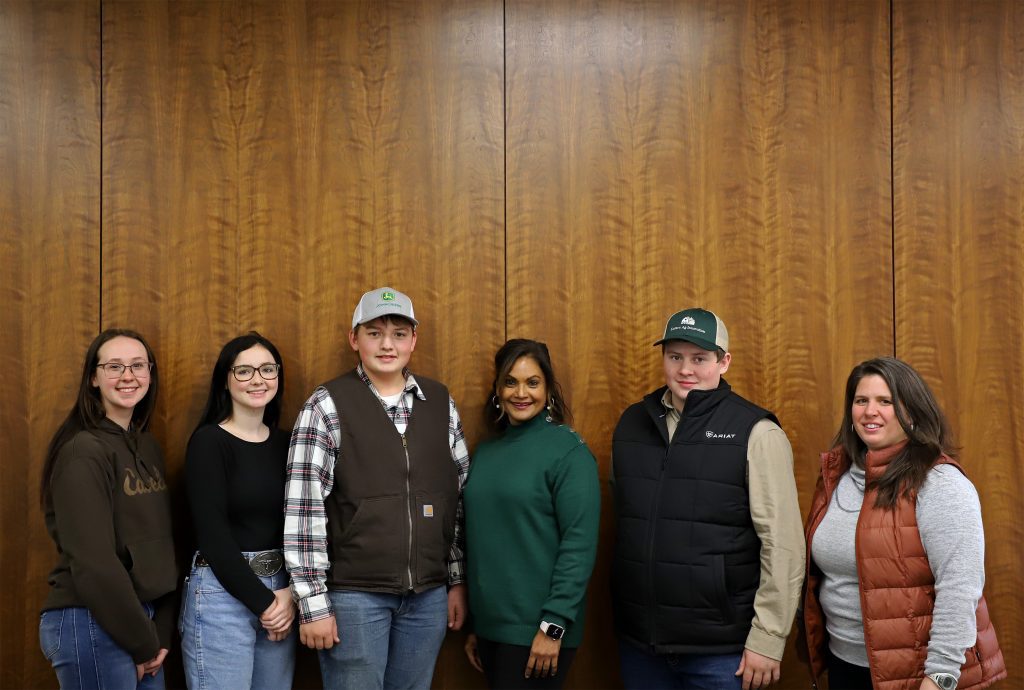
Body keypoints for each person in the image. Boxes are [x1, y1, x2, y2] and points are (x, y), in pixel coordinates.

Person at [283, 286, 470, 690]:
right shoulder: (326, 405)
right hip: (355, 598)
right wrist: (313, 603)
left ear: (413, 340)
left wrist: (455, 580)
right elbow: (303, 510)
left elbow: (456, 500)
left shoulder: (439, 402)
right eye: (374, 332)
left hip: (428, 598)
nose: (388, 344)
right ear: (355, 339)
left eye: (399, 333)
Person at [610, 308, 804, 690]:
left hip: (722, 654)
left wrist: (769, 638)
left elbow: (784, 546)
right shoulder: (632, 424)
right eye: (675, 357)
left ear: (723, 361)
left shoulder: (756, 432)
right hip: (641, 647)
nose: (686, 369)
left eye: (699, 359)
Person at [799, 357, 1006, 690]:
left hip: (916, 676)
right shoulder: (837, 474)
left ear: (912, 412)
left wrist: (940, 677)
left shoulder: (939, 483)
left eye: (886, 402)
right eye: (861, 400)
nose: (870, 411)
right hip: (844, 666)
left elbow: (959, 586)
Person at [38, 329, 177, 689]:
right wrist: (144, 642)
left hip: (139, 624)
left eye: (137, 365)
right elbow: (93, 563)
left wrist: (158, 632)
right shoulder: (82, 451)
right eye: (114, 366)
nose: (128, 376)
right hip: (91, 622)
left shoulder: (147, 447)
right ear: (93, 379)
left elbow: (161, 545)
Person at [463, 339, 601, 689]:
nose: (521, 393)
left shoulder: (568, 452)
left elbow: (579, 545)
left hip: (541, 632)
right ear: (497, 389)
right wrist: (480, 627)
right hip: (492, 630)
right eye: (510, 382)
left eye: (532, 382)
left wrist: (553, 627)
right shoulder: (487, 451)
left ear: (548, 389)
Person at [180, 332, 296, 688]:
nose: (257, 379)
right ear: (225, 380)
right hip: (220, 595)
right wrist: (264, 603)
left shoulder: (287, 443)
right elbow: (213, 536)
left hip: (281, 592)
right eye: (244, 371)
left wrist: (290, 593)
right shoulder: (208, 443)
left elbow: (306, 522)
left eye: (266, 369)